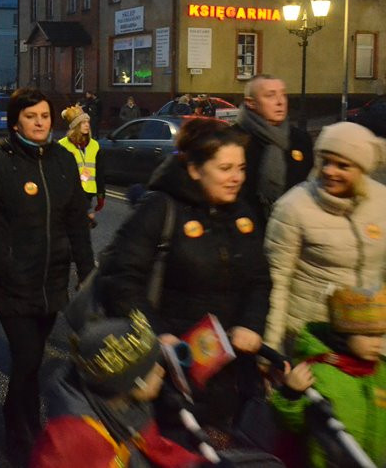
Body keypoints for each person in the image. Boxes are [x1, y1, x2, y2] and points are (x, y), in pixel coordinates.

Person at [96, 118, 271, 435]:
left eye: (241, 168)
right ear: (194, 169)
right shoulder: (161, 209)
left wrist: (252, 323)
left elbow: (260, 278)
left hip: (232, 370)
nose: (236, 178)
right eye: (225, 168)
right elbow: (121, 281)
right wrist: (160, 336)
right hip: (173, 371)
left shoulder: (243, 213)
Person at [0, 87, 94, 464]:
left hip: (51, 282)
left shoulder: (62, 161)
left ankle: (19, 415)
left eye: (44, 116)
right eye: (31, 116)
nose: (39, 123)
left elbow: (75, 220)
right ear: (17, 120)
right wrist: (2, 260)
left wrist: (85, 269)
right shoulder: (0, 166)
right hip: (13, 284)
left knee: (34, 359)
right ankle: (21, 428)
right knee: (25, 357)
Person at [263, 121, 386, 351]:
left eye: (342, 166)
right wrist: (271, 349)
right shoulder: (293, 207)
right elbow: (276, 283)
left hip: (371, 340)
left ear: (362, 169)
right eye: (325, 161)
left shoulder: (385, 202)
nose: (329, 171)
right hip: (312, 339)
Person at [31, 312, 202, 468]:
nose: (161, 372)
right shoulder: (69, 441)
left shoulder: (125, 404)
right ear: (132, 382)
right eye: (153, 369)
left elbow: (157, 450)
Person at [272, 286, 386, 468]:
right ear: (344, 336)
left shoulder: (382, 370)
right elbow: (292, 425)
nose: (377, 343)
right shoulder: (320, 371)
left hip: (372, 461)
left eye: (380, 335)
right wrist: (291, 393)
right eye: (368, 335)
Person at [235, 74, 313, 227]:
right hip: (247, 229)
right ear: (251, 103)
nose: (280, 102)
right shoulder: (234, 140)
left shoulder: (299, 139)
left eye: (283, 95)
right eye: (270, 96)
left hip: (291, 227)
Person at [58, 105, 106, 227]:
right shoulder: (63, 145)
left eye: (87, 122)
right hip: (70, 193)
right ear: (75, 126)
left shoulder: (95, 145)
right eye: (82, 122)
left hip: (88, 191)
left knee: (82, 225)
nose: (86, 125)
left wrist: (101, 195)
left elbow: (99, 172)